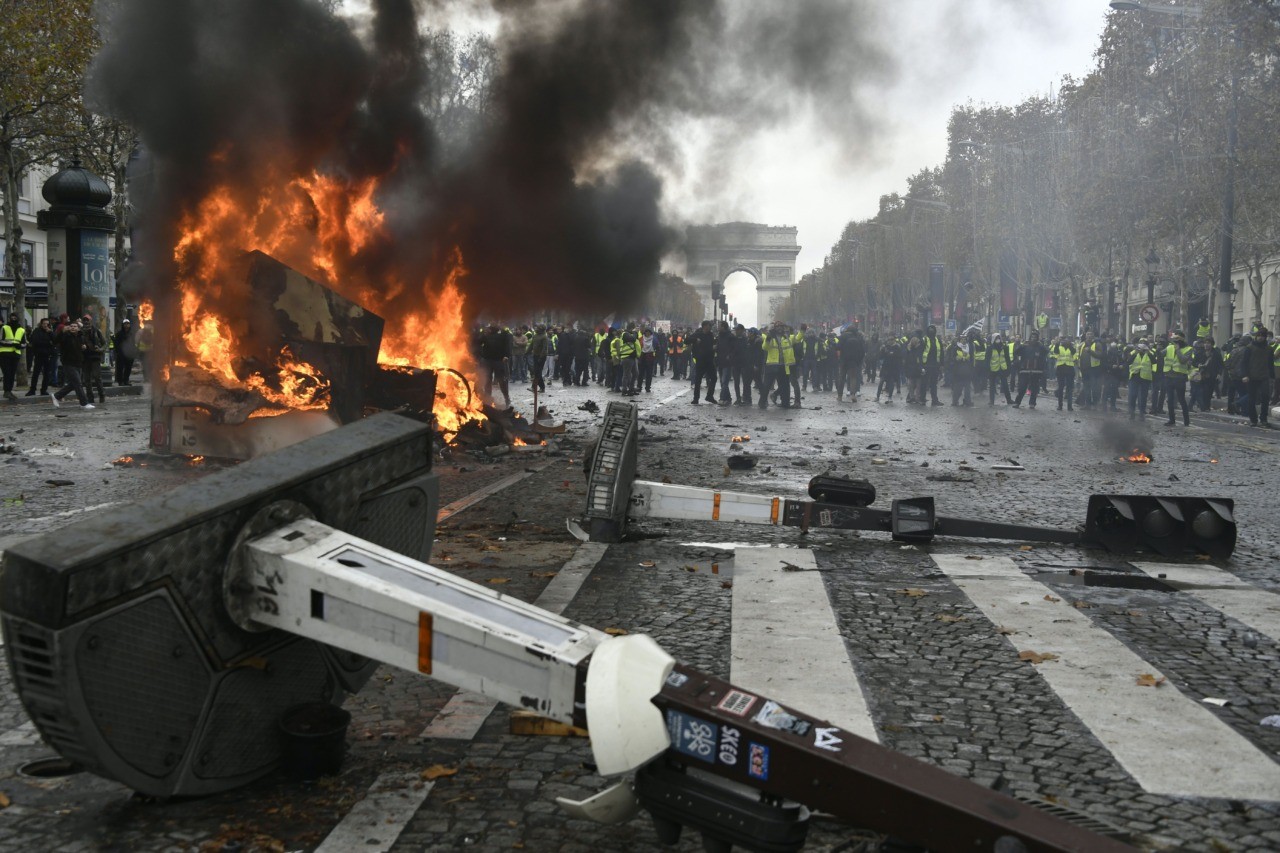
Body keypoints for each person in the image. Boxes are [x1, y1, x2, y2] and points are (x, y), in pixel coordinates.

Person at [1233, 326, 1275, 427]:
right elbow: (1244, 363)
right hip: (1251, 376)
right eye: (1258, 336)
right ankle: (1253, 420)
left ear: (1265, 337)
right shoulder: (1249, 348)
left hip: (1264, 376)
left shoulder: (1269, 349)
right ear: (1256, 337)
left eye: (1262, 336)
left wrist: (1272, 376)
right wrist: (1245, 375)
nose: (1260, 337)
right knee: (1252, 398)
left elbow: (1270, 363)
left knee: (1265, 398)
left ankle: (1263, 419)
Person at [51, 320, 92, 409]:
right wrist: (62, 332)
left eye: (75, 326)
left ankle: (57, 396)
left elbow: (85, 344)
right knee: (78, 383)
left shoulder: (81, 336)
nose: (73, 328)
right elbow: (55, 341)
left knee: (74, 384)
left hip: (78, 362)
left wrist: (85, 347)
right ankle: (84, 403)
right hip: (68, 363)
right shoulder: (65, 336)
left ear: (78, 328)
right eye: (71, 326)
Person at [478, 321, 512, 407]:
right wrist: (483, 334)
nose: (493, 324)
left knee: (502, 381)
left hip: (499, 360)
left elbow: (508, 345)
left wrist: (506, 355)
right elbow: (479, 342)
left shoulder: (504, 333)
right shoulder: (486, 333)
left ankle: (506, 397)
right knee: (487, 381)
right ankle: (488, 399)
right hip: (487, 360)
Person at [1011, 331, 1048, 408]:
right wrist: (1022, 345)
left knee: (1034, 389)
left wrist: (1042, 369)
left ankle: (1032, 403)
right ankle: (1017, 402)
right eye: (1032, 337)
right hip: (1025, 370)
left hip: (1036, 371)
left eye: (1035, 337)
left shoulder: (1040, 347)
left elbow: (1045, 353)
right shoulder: (1025, 346)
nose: (1033, 339)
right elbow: (1016, 352)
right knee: (1022, 387)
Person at [759, 323, 790, 409]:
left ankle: (785, 403)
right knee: (767, 385)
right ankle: (762, 402)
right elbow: (765, 347)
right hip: (772, 365)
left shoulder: (785, 337)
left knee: (784, 385)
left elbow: (795, 340)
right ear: (775, 328)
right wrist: (769, 338)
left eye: (781, 326)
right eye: (778, 327)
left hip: (782, 365)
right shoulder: (770, 336)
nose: (780, 328)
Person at [688, 320, 717, 404]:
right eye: (708, 326)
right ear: (704, 326)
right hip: (701, 360)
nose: (709, 328)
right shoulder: (698, 334)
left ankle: (709, 396)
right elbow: (687, 340)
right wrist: (695, 339)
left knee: (714, 378)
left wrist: (713, 348)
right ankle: (696, 398)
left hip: (709, 360)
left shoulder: (711, 335)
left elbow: (710, 345)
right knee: (698, 380)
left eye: (710, 326)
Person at [0, 313, 27, 401]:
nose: (13, 319)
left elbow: (24, 343)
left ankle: (9, 391)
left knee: (12, 374)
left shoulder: (21, 330)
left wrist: (20, 346)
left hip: (15, 354)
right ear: (9, 318)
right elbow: (1, 340)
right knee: (7, 373)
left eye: (15, 317)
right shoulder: (4, 328)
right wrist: (12, 344)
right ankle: (7, 391)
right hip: (5, 354)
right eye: (12, 317)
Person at [81, 314, 107, 405]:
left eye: (87, 320)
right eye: (84, 320)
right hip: (85, 358)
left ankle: (102, 395)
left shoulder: (96, 331)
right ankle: (90, 398)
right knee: (87, 379)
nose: (86, 322)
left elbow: (104, 343)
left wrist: (100, 349)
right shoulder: (80, 332)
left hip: (95, 357)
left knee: (97, 377)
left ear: (91, 321)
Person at [27, 317, 56, 396]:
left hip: (48, 355)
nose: (45, 325)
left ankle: (44, 390)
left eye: (47, 324)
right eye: (44, 324)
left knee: (47, 374)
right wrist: (48, 343)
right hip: (39, 355)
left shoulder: (50, 332)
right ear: (41, 324)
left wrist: (50, 333)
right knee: (36, 373)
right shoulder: (37, 331)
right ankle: (32, 390)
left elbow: (55, 341)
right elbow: (35, 341)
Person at [1127, 339, 1154, 421]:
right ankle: (1132, 413)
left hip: (1145, 378)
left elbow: (1155, 361)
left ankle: (1142, 413)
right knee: (1132, 395)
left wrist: (1148, 352)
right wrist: (1136, 353)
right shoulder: (1133, 353)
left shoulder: (1149, 353)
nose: (1142, 345)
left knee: (1143, 397)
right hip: (1134, 377)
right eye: (1141, 344)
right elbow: (1128, 362)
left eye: (1144, 344)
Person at [1050, 335, 1077, 411]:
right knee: (1061, 388)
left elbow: (1075, 357)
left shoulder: (1072, 348)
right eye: (1064, 340)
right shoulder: (1058, 347)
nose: (1066, 341)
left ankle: (1069, 406)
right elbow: (1056, 355)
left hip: (1069, 369)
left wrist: (1071, 347)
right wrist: (1057, 344)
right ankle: (1060, 405)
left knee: (1069, 388)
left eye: (1067, 340)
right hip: (1060, 369)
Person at [947, 334, 973, 406]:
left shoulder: (969, 348)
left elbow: (972, 359)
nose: (964, 340)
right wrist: (956, 359)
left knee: (967, 388)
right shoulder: (956, 348)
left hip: (967, 370)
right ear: (959, 340)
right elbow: (952, 358)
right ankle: (955, 401)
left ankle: (968, 401)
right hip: (958, 371)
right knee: (958, 388)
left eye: (965, 339)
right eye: (962, 339)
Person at [876, 335, 902, 402]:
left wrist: (890, 353)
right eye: (889, 339)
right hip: (885, 367)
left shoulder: (897, 347)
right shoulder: (885, 347)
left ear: (894, 340)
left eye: (891, 339)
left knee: (891, 383)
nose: (890, 341)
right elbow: (881, 357)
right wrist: (882, 351)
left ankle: (890, 397)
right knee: (881, 382)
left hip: (893, 368)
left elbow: (898, 357)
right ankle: (877, 396)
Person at [921, 325, 943, 405]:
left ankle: (934, 400)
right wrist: (921, 365)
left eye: (932, 329)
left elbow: (941, 353)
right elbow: (920, 352)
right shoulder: (924, 340)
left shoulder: (938, 340)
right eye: (930, 329)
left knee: (934, 384)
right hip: (926, 365)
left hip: (935, 365)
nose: (931, 331)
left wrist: (941, 364)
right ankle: (922, 398)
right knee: (924, 383)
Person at [112, 318, 137, 387]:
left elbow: (133, 343)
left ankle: (126, 380)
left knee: (128, 368)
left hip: (129, 354)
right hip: (121, 354)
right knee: (120, 368)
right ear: (123, 325)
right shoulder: (119, 334)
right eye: (125, 324)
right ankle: (120, 381)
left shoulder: (132, 334)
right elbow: (116, 344)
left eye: (127, 324)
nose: (126, 325)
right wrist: (118, 352)